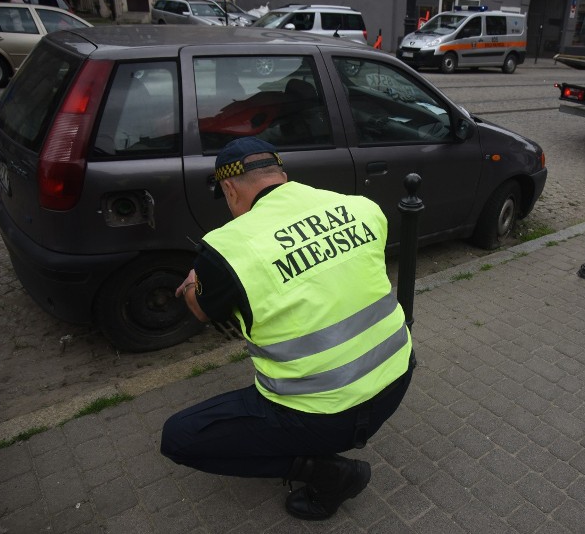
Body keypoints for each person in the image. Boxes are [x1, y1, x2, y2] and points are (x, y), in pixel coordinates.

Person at [160, 136, 414, 521]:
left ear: (229, 189)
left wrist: (197, 281)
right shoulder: (361, 208)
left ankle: (331, 475)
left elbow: (202, 311)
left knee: (179, 437)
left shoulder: (228, 249)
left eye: (227, 199)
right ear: (280, 174)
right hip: (397, 379)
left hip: (323, 417)